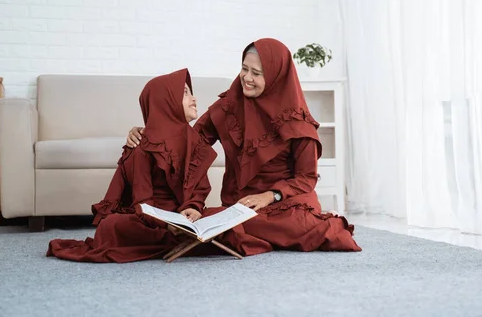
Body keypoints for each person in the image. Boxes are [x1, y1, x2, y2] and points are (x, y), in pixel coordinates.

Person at [127, 39, 361, 256]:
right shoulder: (228, 107)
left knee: (300, 224)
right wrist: (151, 133)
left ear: (276, 78)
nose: (247, 78)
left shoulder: (298, 122)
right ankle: (226, 228)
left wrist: (270, 195)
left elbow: (306, 178)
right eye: (244, 69)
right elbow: (190, 141)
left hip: (286, 203)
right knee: (219, 219)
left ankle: (230, 230)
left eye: (256, 73)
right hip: (241, 204)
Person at [47, 69, 217, 263]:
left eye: (191, 92)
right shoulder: (142, 146)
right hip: (153, 220)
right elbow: (143, 202)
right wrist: (167, 223)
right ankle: (181, 238)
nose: (193, 98)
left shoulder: (194, 142)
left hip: (186, 216)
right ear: (165, 101)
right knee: (111, 226)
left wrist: (194, 208)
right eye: (184, 93)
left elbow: (200, 188)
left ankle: (185, 236)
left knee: (229, 218)